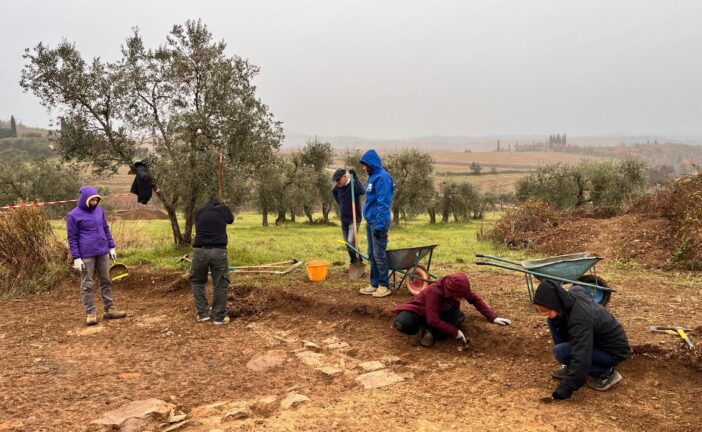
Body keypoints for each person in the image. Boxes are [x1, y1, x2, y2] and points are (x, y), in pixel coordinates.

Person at [533, 279, 631, 401]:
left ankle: (606, 374)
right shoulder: (571, 298)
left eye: (546, 310)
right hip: (597, 342)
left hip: (613, 352)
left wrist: (565, 389)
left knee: (561, 352)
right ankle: (569, 364)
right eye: (542, 311)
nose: (545, 313)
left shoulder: (580, 320)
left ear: (555, 302)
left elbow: (581, 357)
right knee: (554, 321)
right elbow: (578, 288)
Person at [391, 273, 512, 347]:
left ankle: (431, 333)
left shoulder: (460, 289)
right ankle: (416, 331)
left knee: (458, 317)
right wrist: (456, 332)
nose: (460, 298)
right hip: (419, 312)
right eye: (458, 296)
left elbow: (476, 300)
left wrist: (493, 317)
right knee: (402, 323)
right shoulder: (434, 291)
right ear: (451, 292)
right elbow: (432, 319)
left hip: (436, 315)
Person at [67, 186, 127, 326]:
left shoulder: (99, 211)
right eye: (92, 199)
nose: (94, 202)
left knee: (106, 280)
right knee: (87, 284)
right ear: (84, 199)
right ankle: (91, 313)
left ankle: (109, 310)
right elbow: (72, 238)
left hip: (103, 251)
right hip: (86, 255)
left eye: (96, 199)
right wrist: (76, 257)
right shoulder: (73, 215)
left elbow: (105, 228)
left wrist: (111, 246)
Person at [190, 196, 234, 325]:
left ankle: (202, 314)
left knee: (197, 282)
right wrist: (225, 207)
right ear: (219, 203)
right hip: (219, 251)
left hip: (199, 251)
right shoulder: (223, 209)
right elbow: (230, 219)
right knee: (220, 284)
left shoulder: (198, 212)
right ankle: (219, 317)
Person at [357, 149, 394, 298]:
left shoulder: (383, 178)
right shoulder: (372, 177)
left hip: (379, 222)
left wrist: (380, 225)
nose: (363, 168)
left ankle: (384, 286)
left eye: (365, 165)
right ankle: (374, 284)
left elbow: (383, 203)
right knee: (372, 255)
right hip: (371, 221)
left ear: (371, 163)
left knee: (379, 255)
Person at [331, 168, 365, 267]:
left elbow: (361, 191)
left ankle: (356, 262)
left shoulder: (353, 186)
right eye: (336, 181)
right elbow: (334, 192)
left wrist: (356, 177)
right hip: (344, 219)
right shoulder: (338, 187)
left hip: (354, 219)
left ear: (345, 177)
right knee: (348, 243)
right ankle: (356, 261)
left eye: (338, 180)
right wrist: (340, 204)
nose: (337, 183)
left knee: (351, 242)